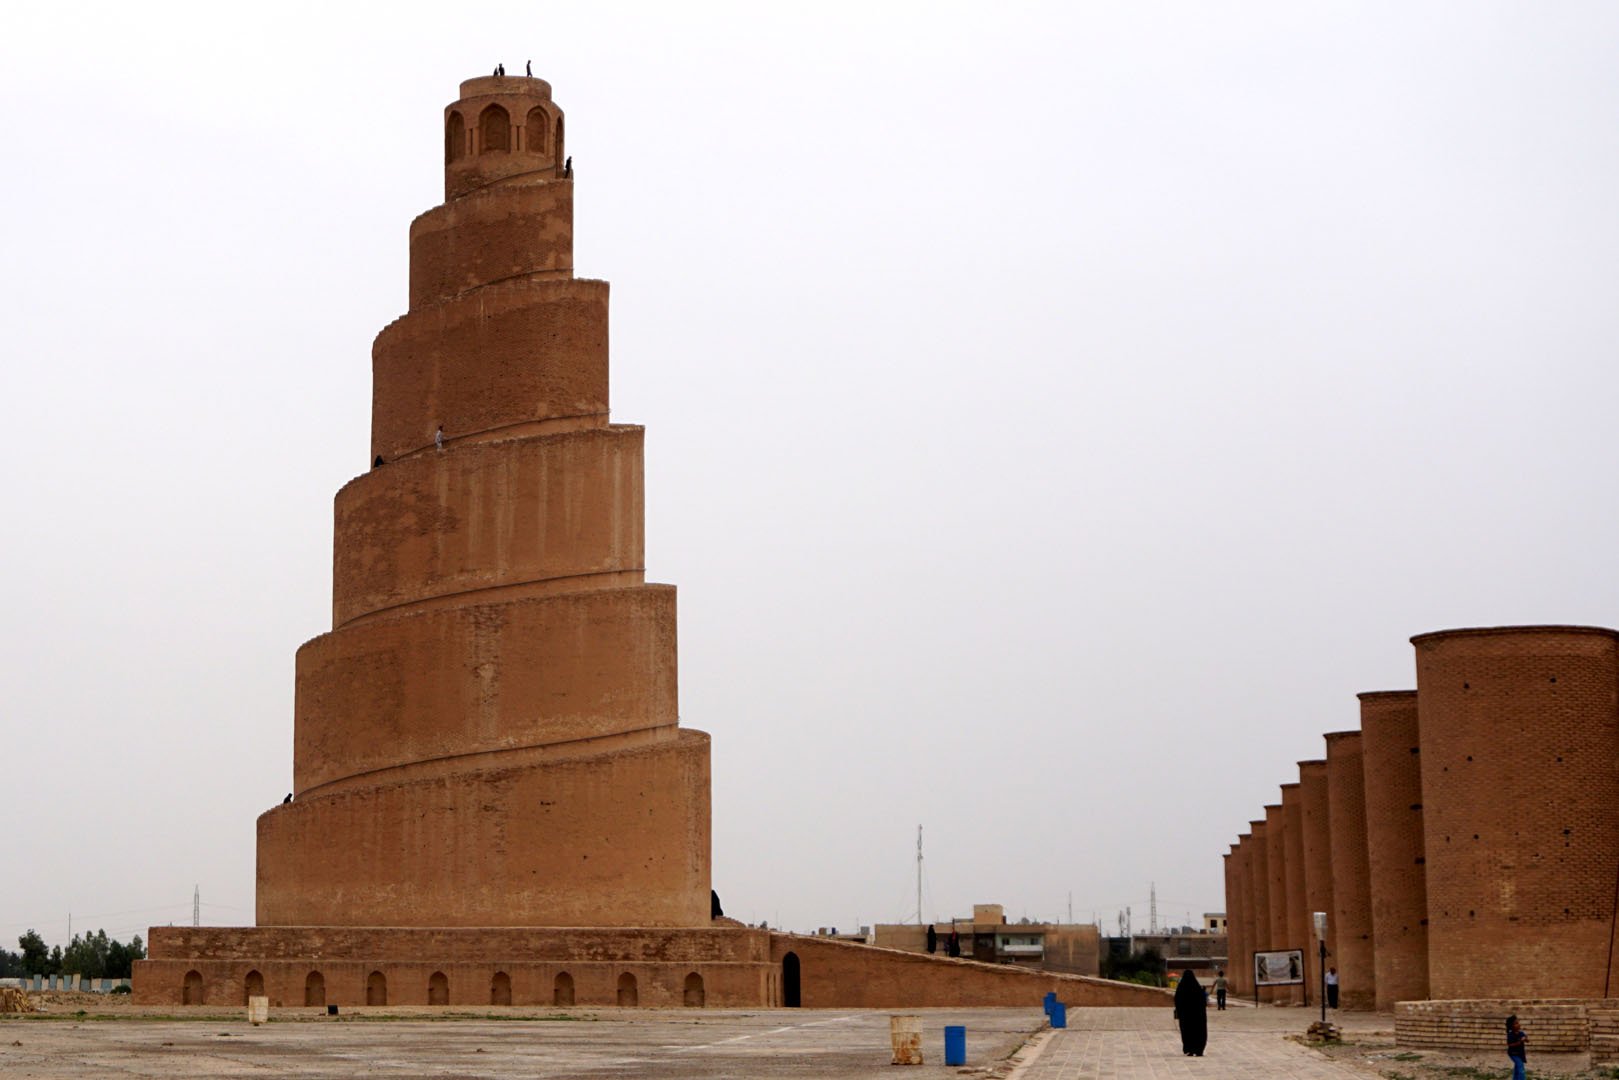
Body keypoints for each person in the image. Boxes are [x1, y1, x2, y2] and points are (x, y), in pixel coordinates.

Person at [1173, 969, 1208, 1056]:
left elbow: (1177, 1000)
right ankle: (1199, 1049)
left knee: (1187, 1031)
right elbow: (1203, 1002)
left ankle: (1190, 1049)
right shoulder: (1197, 988)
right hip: (1198, 1017)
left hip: (1186, 1016)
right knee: (1199, 1031)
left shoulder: (1181, 988)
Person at [1507, 1014, 1527, 1080]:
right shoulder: (1510, 1034)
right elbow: (1509, 1044)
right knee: (1521, 1067)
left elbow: (1527, 1040)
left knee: (1517, 1068)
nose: (1518, 1024)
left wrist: (1525, 1038)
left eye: (1518, 1023)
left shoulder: (1521, 1033)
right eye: (1516, 1023)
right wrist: (1518, 1043)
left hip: (1520, 1053)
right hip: (1513, 1054)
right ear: (1511, 1026)